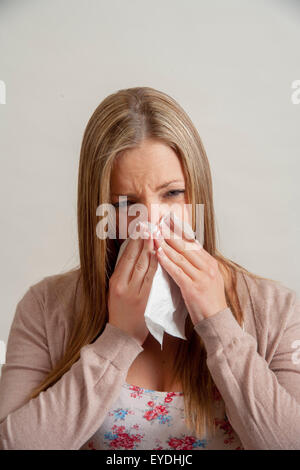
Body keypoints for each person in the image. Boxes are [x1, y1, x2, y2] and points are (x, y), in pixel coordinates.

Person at [0, 87, 299, 450]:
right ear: (101, 212)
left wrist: (219, 323)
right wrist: (118, 338)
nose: (152, 222)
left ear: (198, 193)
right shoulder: (45, 308)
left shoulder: (276, 310)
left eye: (172, 194)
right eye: (127, 203)